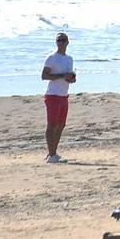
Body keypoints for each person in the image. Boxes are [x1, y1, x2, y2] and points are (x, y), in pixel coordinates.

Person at [41, 31, 76, 163]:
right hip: (53, 95)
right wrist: (62, 75)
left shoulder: (69, 59)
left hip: (63, 95)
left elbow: (69, 77)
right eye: (58, 40)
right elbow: (44, 76)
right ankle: (52, 154)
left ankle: (53, 152)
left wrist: (71, 79)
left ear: (67, 42)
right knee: (52, 125)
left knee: (61, 125)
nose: (61, 42)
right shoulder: (51, 58)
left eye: (63, 40)